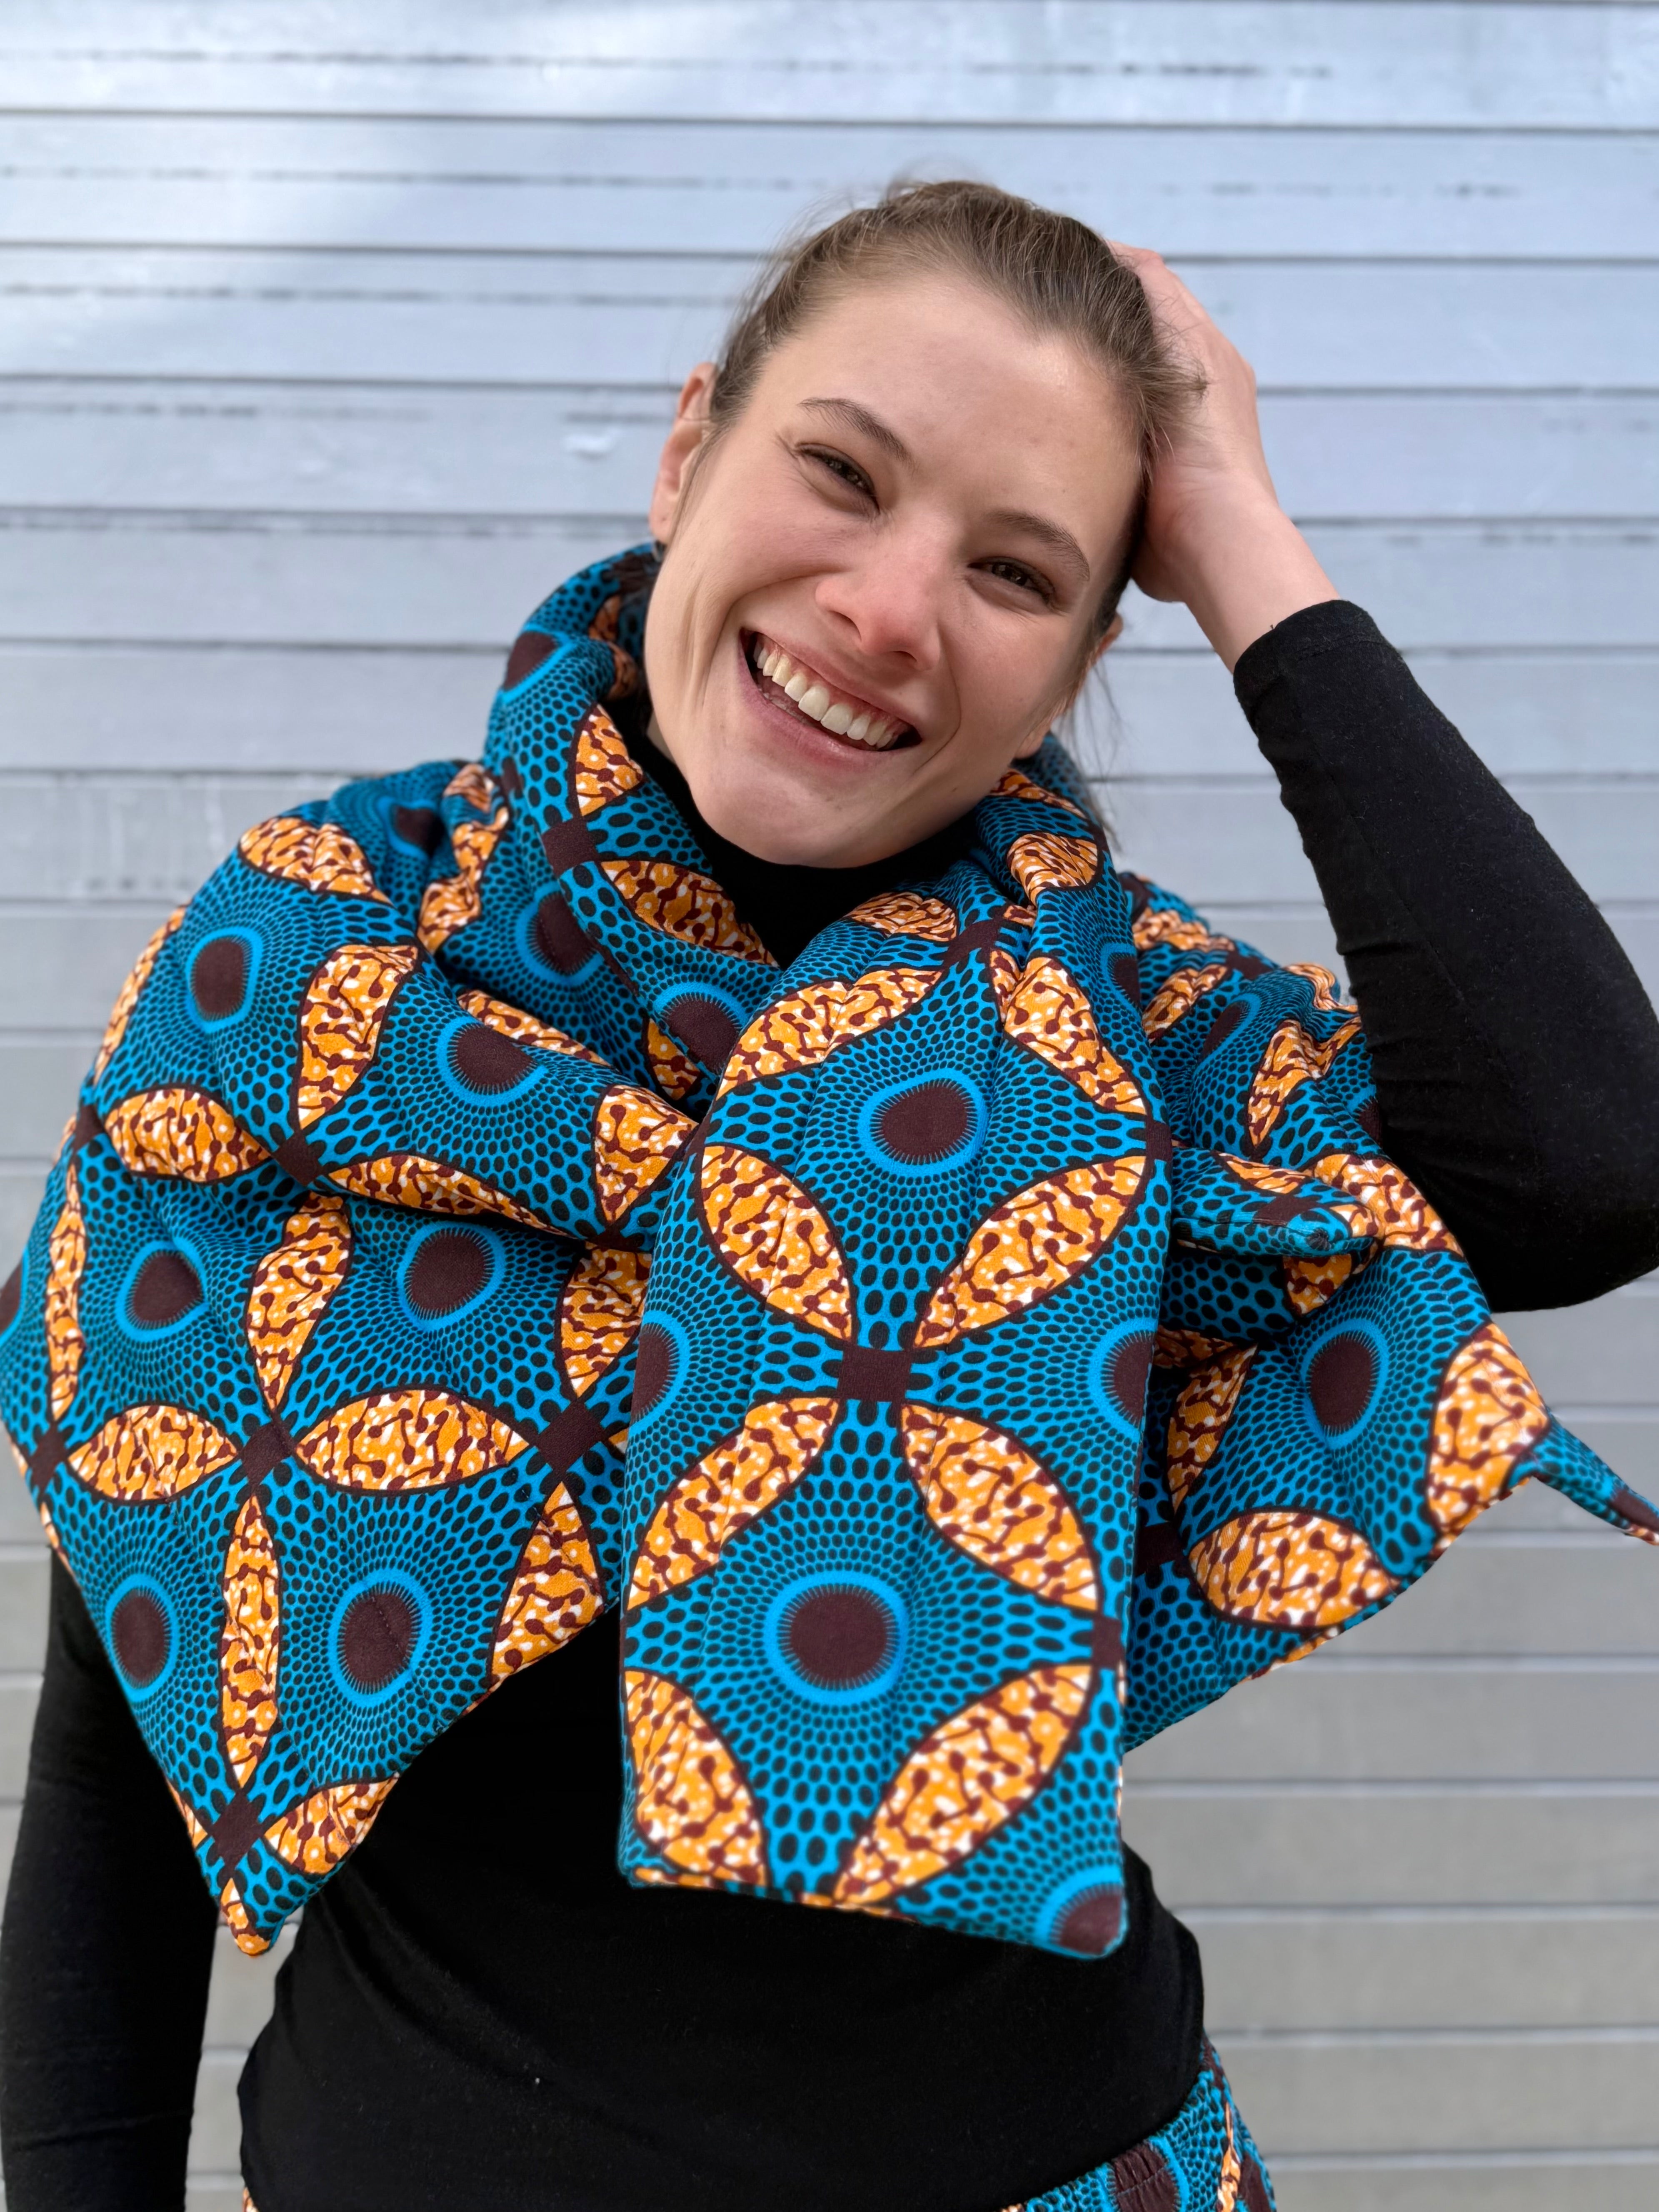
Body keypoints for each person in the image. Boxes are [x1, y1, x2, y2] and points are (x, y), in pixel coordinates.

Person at [2, 181, 1657, 2212]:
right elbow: (119, 1724)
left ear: (1076, 660)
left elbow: (1585, 1160)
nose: (890, 606)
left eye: (1018, 568)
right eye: (841, 472)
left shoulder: (1130, 1047)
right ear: (693, 444)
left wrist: (1238, 536)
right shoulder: (308, 974)